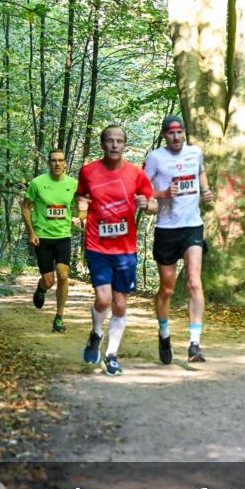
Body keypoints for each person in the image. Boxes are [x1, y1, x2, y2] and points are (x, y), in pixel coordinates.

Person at [76, 125, 157, 375]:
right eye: (110, 141)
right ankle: (96, 334)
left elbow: (152, 204)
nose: (114, 145)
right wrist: (81, 209)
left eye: (119, 141)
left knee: (120, 305)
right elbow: (81, 196)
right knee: (104, 299)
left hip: (125, 249)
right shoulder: (88, 172)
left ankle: (111, 354)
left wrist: (147, 205)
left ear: (124, 145)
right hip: (97, 245)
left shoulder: (135, 174)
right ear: (103, 144)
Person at [143, 115, 214, 364]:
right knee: (168, 288)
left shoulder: (195, 153)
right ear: (164, 135)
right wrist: (162, 193)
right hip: (166, 228)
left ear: (185, 133)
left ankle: (195, 344)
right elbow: (140, 188)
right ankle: (164, 333)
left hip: (192, 226)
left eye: (179, 133)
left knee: (195, 282)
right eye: (171, 133)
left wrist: (205, 190)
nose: (176, 137)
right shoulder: (155, 158)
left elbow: (201, 172)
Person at [22, 148, 80, 333]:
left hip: (63, 236)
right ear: (49, 163)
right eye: (53, 160)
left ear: (65, 163)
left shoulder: (73, 184)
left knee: (63, 275)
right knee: (49, 281)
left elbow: (83, 203)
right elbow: (25, 207)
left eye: (60, 160)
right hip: (43, 238)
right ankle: (41, 289)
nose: (57, 164)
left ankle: (59, 318)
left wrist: (81, 217)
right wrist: (31, 232)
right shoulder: (37, 183)